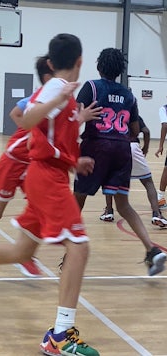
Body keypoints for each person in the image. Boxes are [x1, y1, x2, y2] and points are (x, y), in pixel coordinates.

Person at [0, 33, 101, 356]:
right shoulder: (57, 88)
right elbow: (25, 118)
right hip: (46, 179)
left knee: (23, 251)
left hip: (48, 174)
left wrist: (74, 156)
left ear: (52, 62)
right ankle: (60, 335)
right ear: (80, 61)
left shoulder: (63, 93)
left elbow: (53, 136)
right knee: (79, 248)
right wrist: (57, 101)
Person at [74, 47, 166, 277]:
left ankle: (71, 253)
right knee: (123, 205)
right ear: (120, 70)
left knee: (78, 200)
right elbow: (135, 129)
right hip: (122, 149)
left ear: (98, 66)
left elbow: (74, 116)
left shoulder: (91, 87)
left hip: (96, 146)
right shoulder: (128, 94)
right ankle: (151, 249)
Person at [0, 54, 53, 278]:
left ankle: (25, 253)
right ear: (49, 75)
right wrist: (32, 129)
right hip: (14, 162)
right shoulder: (39, 97)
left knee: (40, 208)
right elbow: (15, 113)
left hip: (31, 164)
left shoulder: (57, 98)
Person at [100, 116, 167, 228]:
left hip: (115, 147)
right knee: (148, 182)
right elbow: (146, 131)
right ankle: (156, 214)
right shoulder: (131, 113)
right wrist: (145, 147)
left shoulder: (110, 115)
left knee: (109, 181)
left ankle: (109, 212)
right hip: (133, 146)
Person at [155, 104, 167, 209]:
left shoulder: (164, 108)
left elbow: (164, 125)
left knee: (166, 170)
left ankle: (160, 198)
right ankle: (160, 199)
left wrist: (161, 146)